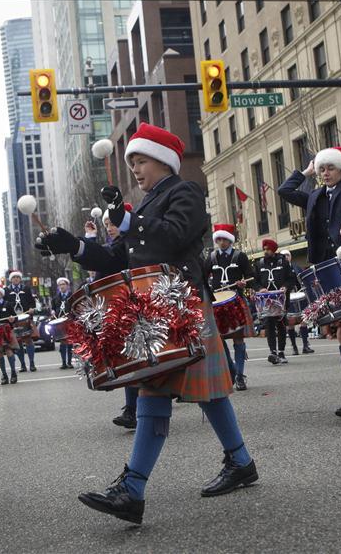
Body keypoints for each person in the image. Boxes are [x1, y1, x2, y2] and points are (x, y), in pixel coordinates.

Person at [36, 122, 256, 525]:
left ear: (163, 160)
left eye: (140, 161)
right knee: (201, 393)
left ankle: (133, 488)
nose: (135, 169)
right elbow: (115, 259)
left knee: (155, 388)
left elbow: (172, 237)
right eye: (131, 162)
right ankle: (240, 461)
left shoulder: (185, 192)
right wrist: (73, 245)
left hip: (181, 299)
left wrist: (125, 219)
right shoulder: (145, 206)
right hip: (157, 303)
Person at [278, 146, 341, 420]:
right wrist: (305, 173)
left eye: (330, 167)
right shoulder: (314, 196)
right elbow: (284, 191)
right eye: (322, 168)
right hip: (325, 267)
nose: (325, 173)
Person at [84, 212, 138, 429]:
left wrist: (89, 241)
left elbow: (105, 259)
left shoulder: (128, 243)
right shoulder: (120, 243)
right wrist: (90, 238)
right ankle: (133, 409)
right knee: (130, 356)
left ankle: (137, 409)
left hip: (135, 304)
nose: (109, 227)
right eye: (106, 224)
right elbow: (101, 269)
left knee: (135, 356)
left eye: (113, 223)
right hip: (119, 306)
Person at [208, 224, 255, 390]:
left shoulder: (239, 256)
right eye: (218, 239)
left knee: (238, 338)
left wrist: (244, 282)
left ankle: (240, 375)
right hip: (217, 303)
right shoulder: (212, 257)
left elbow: (251, 276)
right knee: (220, 340)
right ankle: (232, 370)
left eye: (224, 239)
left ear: (229, 240)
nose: (221, 242)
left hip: (235, 301)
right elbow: (204, 275)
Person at [254, 239, 295, 365]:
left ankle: (281, 351)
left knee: (281, 325)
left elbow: (291, 278)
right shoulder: (259, 263)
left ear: (274, 249)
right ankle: (273, 351)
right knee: (269, 325)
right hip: (266, 300)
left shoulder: (283, 262)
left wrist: (285, 287)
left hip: (281, 299)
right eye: (264, 249)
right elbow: (254, 281)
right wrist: (260, 288)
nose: (266, 251)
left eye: (268, 249)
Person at [279, 249, 313, 355]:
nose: (286, 257)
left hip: (299, 295)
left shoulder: (296, 267)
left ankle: (305, 345)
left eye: (287, 255)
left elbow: (303, 279)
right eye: (283, 256)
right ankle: (294, 347)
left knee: (304, 320)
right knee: (290, 322)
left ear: (291, 257)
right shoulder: (279, 269)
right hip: (287, 297)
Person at [4, 271, 37, 372]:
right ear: (11, 279)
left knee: (28, 340)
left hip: (25, 318)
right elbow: (5, 305)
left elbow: (32, 301)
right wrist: (8, 316)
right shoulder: (6, 290)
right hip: (14, 320)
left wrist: (32, 308)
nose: (16, 279)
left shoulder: (26, 289)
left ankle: (32, 363)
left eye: (18, 277)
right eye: (14, 277)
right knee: (18, 342)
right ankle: (23, 364)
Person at [52, 277, 75, 370]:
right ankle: (63, 362)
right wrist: (53, 312)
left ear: (67, 286)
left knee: (69, 342)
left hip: (69, 320)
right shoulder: (56, 298)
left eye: (63, 284)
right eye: (60, 285)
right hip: (59, 322)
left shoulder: (72, 296)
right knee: (62, 343)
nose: (62, 286)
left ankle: (69, 362)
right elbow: (53, 308)